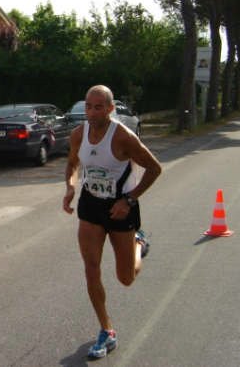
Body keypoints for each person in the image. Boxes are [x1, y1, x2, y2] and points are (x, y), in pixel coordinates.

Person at [62, 85, 162, 359]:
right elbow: (72, 165)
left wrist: (129, 200)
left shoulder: (123, 137)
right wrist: (70, 188)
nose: (91, 112)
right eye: (88, 106)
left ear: (110, 109)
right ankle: (106, 330)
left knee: (126, 278)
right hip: (91, 205)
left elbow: (155, 168)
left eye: (98, 107)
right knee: (91, 268)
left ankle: (139, 243)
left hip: (121, 206)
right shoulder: (78, 134)